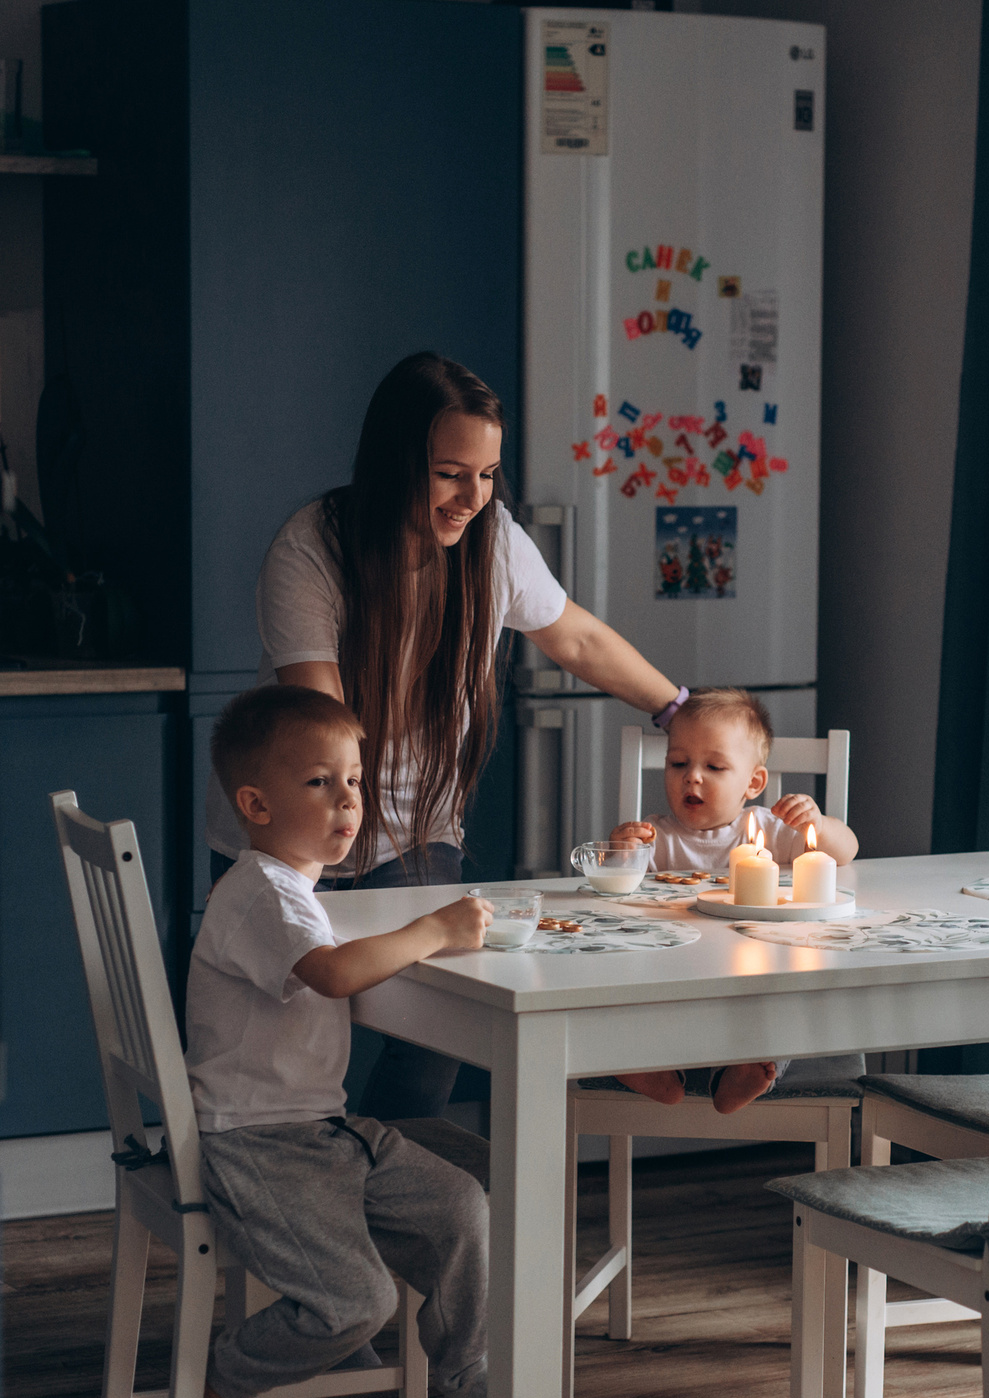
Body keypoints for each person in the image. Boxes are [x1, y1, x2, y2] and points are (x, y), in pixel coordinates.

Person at [206, 350, 687, 1120]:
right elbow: (322, 733)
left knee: (435, 1037)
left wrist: (679, 709)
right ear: (397, 463)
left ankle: (384, 1190)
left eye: (488, 474)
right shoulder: (311, 550)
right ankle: (315, 1174)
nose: (474, 498)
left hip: (417, 831)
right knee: (288, 1039)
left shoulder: (493, 542)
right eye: (449, 473)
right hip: (297, 823)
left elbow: (579, 640)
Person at [185, 684, 496, 1398]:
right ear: (255, 803)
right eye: (319, 783)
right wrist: (429, 929)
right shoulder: (260, 892)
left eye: (354, 780)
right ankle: (230, 1379)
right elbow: (331, 974)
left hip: (323, 1129)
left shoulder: (294, 890)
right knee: (357, 1302)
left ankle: (465, 1380)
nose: (347, 801)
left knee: (461, 1206)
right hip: (259, 1141)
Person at [607, 688, 860, 1114]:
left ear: (754, 782)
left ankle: (747, 1069)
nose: (692, 777)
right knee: (626, 982)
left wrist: (818, 824)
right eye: (678, 763)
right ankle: (651, 1066)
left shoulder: (769, 827)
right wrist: (620, 851)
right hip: (680, 973)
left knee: (787, 994)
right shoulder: (657, 836)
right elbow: (616, 893)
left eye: (715, 766)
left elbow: (846, 851)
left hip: (757, 972)